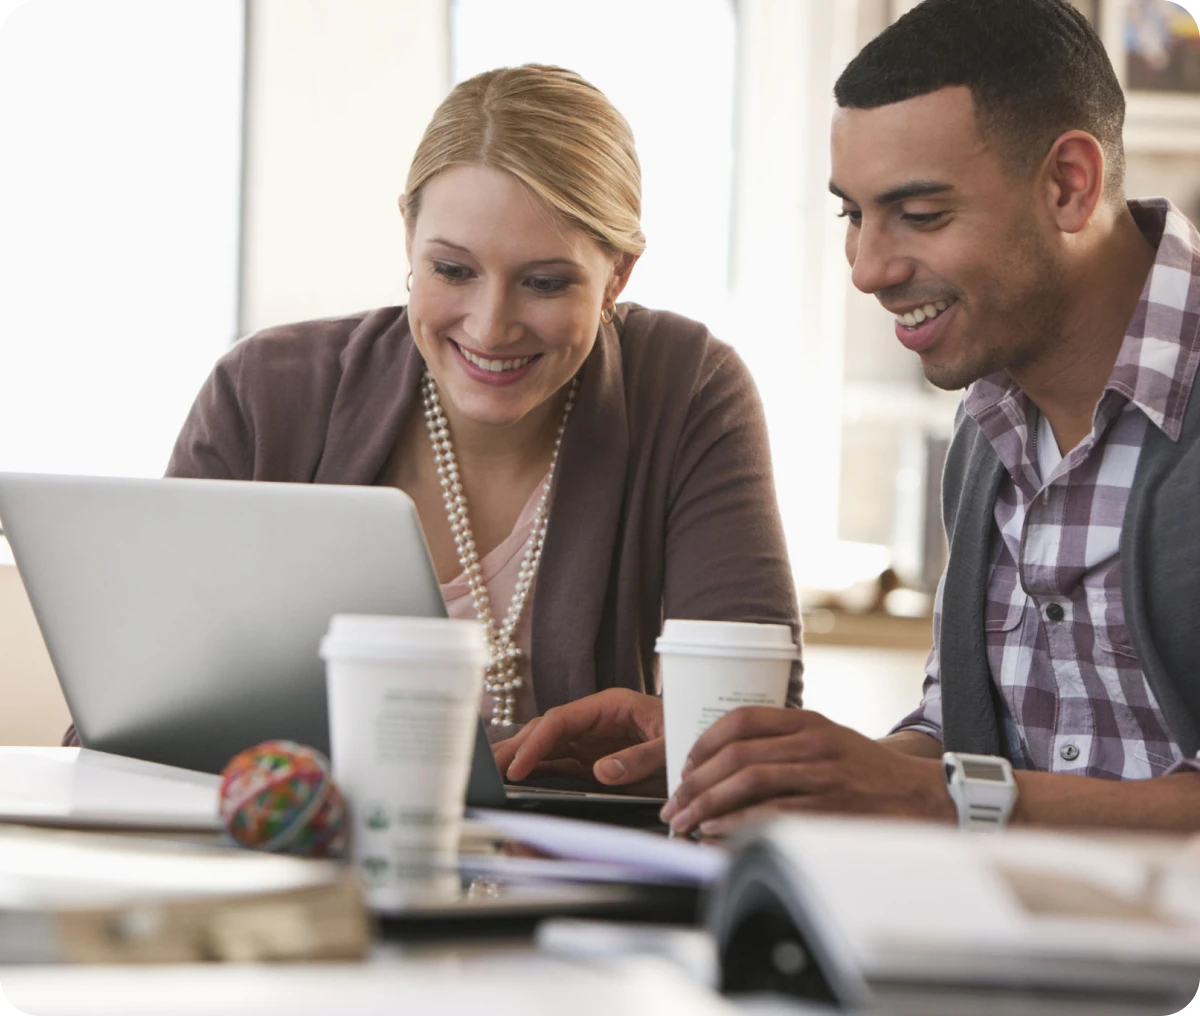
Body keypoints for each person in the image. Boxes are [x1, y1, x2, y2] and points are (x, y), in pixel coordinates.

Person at [63, 65, 800, 787]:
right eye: (452, 270)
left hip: (567, 880)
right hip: (300, 860)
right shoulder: (264, 392)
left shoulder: (687, 388)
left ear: (618, 276)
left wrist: (688, 742)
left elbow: (757, 729)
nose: (491, 325)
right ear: (409, 235)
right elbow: (131, 729)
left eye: (545, 283)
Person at [660, 0, 1200, 835]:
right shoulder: (990, 428)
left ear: (1069, 184)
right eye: (853, 213)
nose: (868, 269)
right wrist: (755, 765)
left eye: (920, 215)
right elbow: (960, 746)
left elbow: (958, 795)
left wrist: (935, 798)